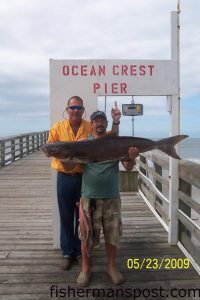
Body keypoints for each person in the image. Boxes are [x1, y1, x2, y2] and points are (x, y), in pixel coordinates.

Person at [47, 96, 121, 270]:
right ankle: (67, 253)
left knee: (82, 219)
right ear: (67, 109)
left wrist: (116, 122)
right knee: (65, 216)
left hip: (82, 178)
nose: (75, 110)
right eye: (72, 107)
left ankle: (80, 253)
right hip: (64, 177)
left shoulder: (90, 126)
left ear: (83, 110)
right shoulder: (57, 127)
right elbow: (51, 148)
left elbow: (109, 139)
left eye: (79, 108)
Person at [77, 110, 139, 287]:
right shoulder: (84, 144)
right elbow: (70, 163)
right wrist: (58, 154)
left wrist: (132, 158)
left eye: (102, 120)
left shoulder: (114, 144)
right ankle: (85, 269)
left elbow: (127, 167)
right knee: (86, 236)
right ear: (91, 124)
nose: (99, 123)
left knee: (112, 236)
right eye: (96, 121)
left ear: (106, 124)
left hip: (112, 196)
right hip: (89, 197)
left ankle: (111, 267)